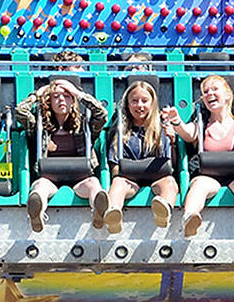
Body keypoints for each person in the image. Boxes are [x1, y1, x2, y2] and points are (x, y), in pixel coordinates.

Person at [166, 74, 234, 238]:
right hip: (209, 177)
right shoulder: (202, 125)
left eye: (214, 89)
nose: (209, 93)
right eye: (205, 91)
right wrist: (176, 121)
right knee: (198, 185)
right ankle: (189, 218)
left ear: (227, 95)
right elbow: (188, 133)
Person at [16, 77, 108, 232]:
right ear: (49, 101)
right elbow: (20, 112)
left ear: (73, 101)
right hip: (50, 177)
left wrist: (78, 93)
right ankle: (37, 214)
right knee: (39, 187)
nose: (61, 100)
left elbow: (101, 114)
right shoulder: (40, 126)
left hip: (80, 178)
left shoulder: (84, 125)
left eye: (66, 96)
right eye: (56, 96)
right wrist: (36, 95)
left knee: (94, 185)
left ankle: (98, 212)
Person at [99, 79, 178, 234]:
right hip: (130, 179)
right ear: (128, 105)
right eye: (134, 101)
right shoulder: (120, 130)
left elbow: (172, 165)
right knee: (118, 183)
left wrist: (173, 142)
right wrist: (121, 174)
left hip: (158, 177)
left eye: (144, 101)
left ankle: (164, 210)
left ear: (152, 103)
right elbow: (115, 166)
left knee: (170, 183)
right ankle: (113, 214)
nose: (140, 106)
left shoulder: (161, 128)